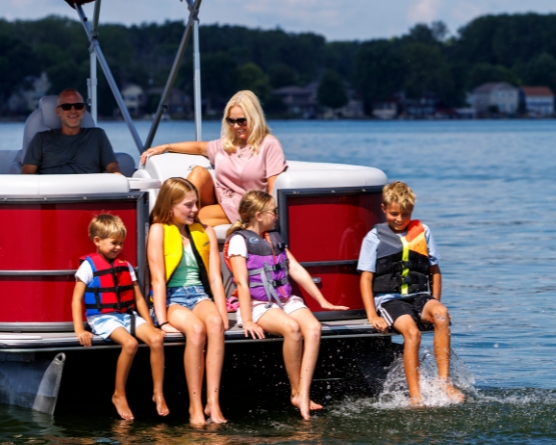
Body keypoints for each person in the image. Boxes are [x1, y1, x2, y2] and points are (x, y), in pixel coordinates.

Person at [225, 190, 349, 420]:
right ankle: (295, 392)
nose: (277, 216)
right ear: (259, 215)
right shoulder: (239, 241)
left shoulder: (274, 237)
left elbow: (295, 269)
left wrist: (322, 301)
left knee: (313, 328)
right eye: (273, 211)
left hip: (284, 301)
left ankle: (304, 391)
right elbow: (242, 284)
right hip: (257, 305)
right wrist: (248, 321)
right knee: (292, 329)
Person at [357, 181, 464, 406]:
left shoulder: (422, 232)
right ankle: (416, 398)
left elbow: (434, 271)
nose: (399, 219)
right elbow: (366, 279)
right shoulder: (374, 237)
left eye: (405, 214)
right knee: (412, 334)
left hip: (419, 296)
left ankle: (443, 382)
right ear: (384, 208)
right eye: (394, 213)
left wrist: (435, 301)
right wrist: (372, 315)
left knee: (442, 314)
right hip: (389, 300)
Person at [147, 177, 228, 426]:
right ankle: (194, 407)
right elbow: (158, 279)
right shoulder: (158, 230)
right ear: (170, 206)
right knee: (195, 329)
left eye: (196, 204)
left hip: (199, 294)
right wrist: (161, 321)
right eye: (188, 205)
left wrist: (223, 314)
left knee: (214, 323)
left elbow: (215, 277)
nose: (195, 210)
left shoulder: (206, 231)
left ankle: (213, 403)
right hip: (172, 298)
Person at [72, 214, 168, 421]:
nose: (118, 247)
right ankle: (119, 394)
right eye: (113, 243)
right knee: (130, 343)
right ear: (97, 241)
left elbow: (139, 299)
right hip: (102, 318)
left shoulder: (125, 265)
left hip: (126, 315)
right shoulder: (88, 266)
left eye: (121, 243)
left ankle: (158, 392)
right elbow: (76, 300)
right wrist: (79, 329)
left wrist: (151, 326)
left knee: (157, 339)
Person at [140, 90, 287, 225]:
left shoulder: (269, 145)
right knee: (198, 172)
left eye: (241, 121)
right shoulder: (227, 143)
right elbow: (199, 147)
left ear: (254, 118)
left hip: (246, 206)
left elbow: (274, 191)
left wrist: (267, 219)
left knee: (195, 215)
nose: (236, 126)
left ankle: (160, 231)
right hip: (220, 197)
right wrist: (165, 147)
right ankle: (159, 225)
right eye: (231, 121)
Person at [22, 89, 121, 175]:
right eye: (66, 106)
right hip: (51, 194)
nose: (73, 110)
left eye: (78, 106)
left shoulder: (98, 136)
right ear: (58, 111)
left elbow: (113, 168)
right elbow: (27, 173)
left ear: (83, 110)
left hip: (91, 194)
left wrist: (118, 181)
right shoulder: (41, 139)